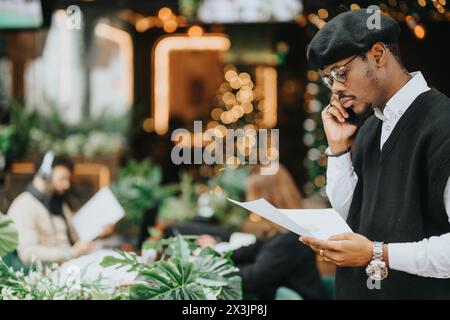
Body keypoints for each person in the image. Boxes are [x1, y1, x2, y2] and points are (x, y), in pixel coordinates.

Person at [300, 8, 450, 299]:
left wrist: (378, 253)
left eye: (340, 73)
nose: (338, 89)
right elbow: (354, 216)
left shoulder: (442, 125)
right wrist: (338, 149)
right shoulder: (370, 129)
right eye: (330, 79)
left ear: (378, 55)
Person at [198, 165, 327, 300]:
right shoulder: (278, 230)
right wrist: (216, 252)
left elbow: (252, 280)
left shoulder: (290, 238)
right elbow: (250, 250)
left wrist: (211, 268)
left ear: (266, 198)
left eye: (251, 194)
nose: (248, 199)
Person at [7, 152, 114, 264]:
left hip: (72, 267)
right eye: (62, 178)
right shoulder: (24, 205)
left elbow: (74, 238)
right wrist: (70, 253)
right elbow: (27, 253)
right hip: (49, 275)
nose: (67, 185)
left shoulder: (57, 201)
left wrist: (98, 232)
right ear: (45, 175)